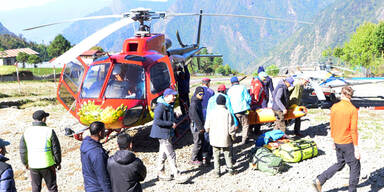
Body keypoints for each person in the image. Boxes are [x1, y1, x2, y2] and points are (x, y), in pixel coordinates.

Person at [313, 86, 360, 192]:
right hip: (347, 142)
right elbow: (353, 130)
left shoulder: (334, 107)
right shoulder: (352, 109)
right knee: (355, 165)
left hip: (337, 141)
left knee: (340, 163)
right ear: (351, 96)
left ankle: (320, 180)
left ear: (342, 94)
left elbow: (332, 124)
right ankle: (352, 190)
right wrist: (356, 148)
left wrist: (333, 140)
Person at [149, 88, 188, 183]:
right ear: (166, 96)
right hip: (162, 134)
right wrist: (170, 124)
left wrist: (174, 115)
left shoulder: (168, 105)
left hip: (166, 133)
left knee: (163, 153)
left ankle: (160, 172)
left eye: (175, 95)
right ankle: (177, 174)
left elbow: (165, 116)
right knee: (171, 154)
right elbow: (157, 121)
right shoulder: (160, 106)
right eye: (173, 95)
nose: (174, 97)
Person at [20, 110, 61, 192]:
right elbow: (56, 149)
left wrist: (25, 163)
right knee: (52, 188)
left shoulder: (26, 132)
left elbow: (23, 150)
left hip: (33, 165)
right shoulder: (49, 131)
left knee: (35, 188)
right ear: (43, 119)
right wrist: (58, 162)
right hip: (48, 165)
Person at [205, 95, 236, 178]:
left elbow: (207, 127)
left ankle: (217, 172)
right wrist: (233, 136)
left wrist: (209, 131)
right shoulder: (227, 113)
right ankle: (230, 169)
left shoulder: (212, 112)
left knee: (216, 155)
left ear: (216, 103)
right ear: (224, 102)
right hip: (225, 138)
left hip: (214, 138)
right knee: (227, 154)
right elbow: (231, 128)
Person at [80, 121, 112, 192]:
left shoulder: (86, 144)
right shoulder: (97, 153)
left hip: (89, 185)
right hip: (98, 188)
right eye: (104, 130)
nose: (105, 132)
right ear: (100, 133)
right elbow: (102, 177)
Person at [227, 76, 252, 145]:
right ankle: (244, 139)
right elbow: (248, 98)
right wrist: (249, 105)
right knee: (245, 124)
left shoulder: (229, 90)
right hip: (243, 109)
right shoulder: (242, 87)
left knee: (235, 124)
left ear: (231, 83)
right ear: (238, 82)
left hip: (233, 111)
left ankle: (232, 138)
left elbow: (228, 101)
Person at [189, 86, 205, 166]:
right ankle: (193, 159)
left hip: (198, 124)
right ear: (196, 93)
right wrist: (200, 127)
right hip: (195, 125)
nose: (202, 95)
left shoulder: (198, 101)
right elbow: (195, 117)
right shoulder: (194, 103)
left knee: (201, 141)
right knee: (198, 142)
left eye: (203, 94)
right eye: (200, 94)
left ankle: (199, 158)